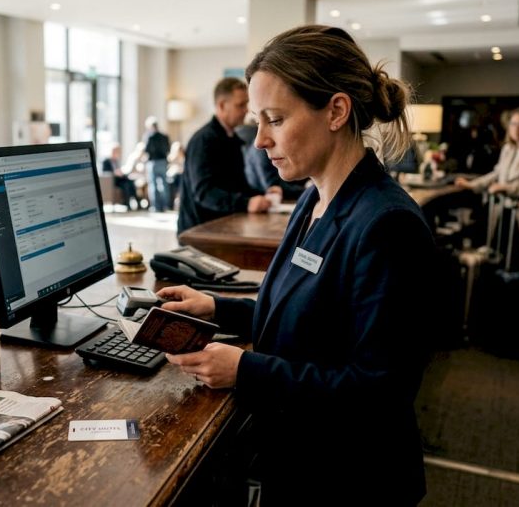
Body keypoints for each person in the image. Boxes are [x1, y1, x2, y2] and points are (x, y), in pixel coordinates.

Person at [160, 25, 434, 504]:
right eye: (256, 120)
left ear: (336, 110)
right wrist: (216, 307)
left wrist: (245, 371)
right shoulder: (315, 198)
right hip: (300, 456)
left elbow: (378, 393)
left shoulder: (387, 225)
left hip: (351, 478)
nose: (260, 140)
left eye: (275, 119)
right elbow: (312, 317)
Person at [177, 78, 272, 234]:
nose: (246, 110)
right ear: (221, 106)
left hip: (223, 225)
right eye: (240, 105)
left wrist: (264, 196)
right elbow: (204, 192)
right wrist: (246, 203)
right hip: (199, 230)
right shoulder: (203, 140)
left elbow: (238, 185)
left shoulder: (233, 139)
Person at [455, 107, 519, 267]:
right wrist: (471, 184)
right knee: (497, 252)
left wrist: (506, 188)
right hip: (502, 209)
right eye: (513, 124)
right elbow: (496, 174)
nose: (517, 128)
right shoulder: (508, 149)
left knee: (517, 258)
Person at [239, 121, 307, 202]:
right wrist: (306, 189)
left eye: (275, 122)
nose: (258, 143)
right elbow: (274, 187)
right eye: (258, 123)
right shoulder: (261, 151)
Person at [142, 116, 171, 212]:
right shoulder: (165, 136)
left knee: (153, 185)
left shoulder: (149, 137)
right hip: (163, 162)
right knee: (164, 184)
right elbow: (168, 149)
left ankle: (156, 207)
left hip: (153, 163)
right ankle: (166, 205)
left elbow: (146, 150)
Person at [101, 144, 137, 208]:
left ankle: (137, 201)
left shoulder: (116, 161)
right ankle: (127, 204)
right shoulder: (105, 161)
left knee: (131, 183)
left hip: (119, 179)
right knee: (126, 185)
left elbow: (118, 170)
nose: (118, 153)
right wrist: (114, 173)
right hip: (112, 181)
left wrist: (120, 172)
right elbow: (105, 172)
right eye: (117, 151)